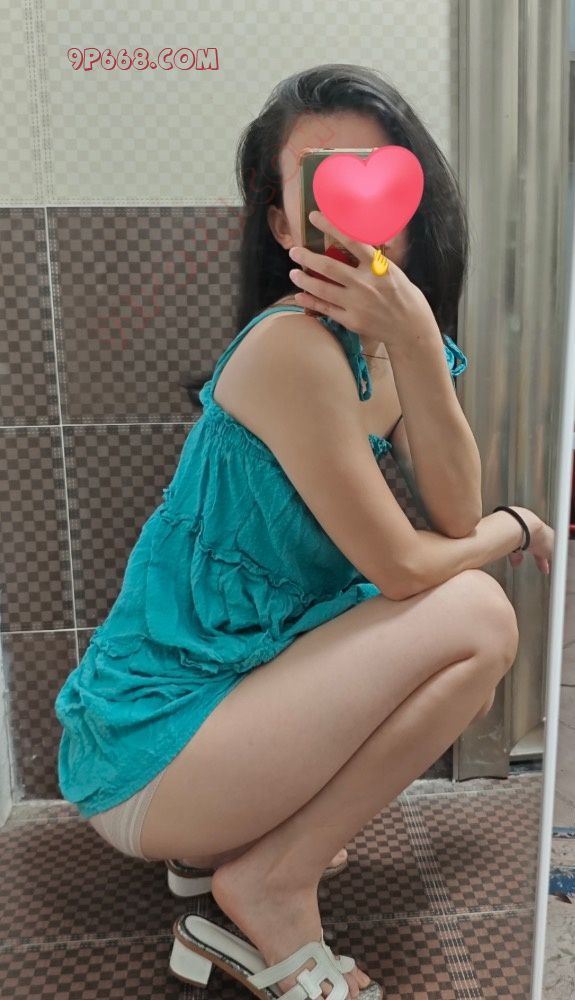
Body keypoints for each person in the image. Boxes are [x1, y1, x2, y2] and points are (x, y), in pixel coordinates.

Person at [54, 64, 554, 999]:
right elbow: (411, 563)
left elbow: (450, 509)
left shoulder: (390, 346)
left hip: (219, 724)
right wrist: (514, 530)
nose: (360, 214)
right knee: (479, 617)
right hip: (148, 755)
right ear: (284, 223)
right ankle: (271, 885)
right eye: (326, 184)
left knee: (468, 620)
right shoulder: (291, 348)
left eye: (382, 180)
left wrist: (415, 340)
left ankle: (234, 849)